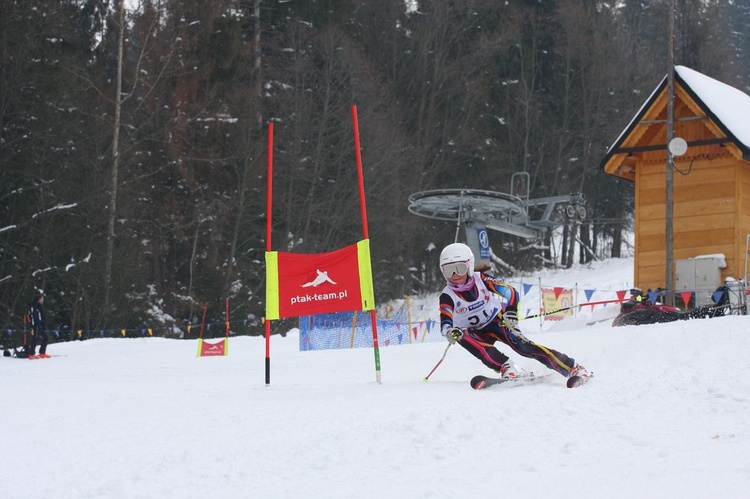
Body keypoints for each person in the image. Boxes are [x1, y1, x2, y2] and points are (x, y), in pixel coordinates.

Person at [438, 242, 588, 379]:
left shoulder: (481, 279)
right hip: (475, 333)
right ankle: (507, 367)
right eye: (449, 270)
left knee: (524, 347)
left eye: (459, 268)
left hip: (498, 321)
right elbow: (445, 323)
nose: (455, 275)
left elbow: (510, 292)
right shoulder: (447, 296)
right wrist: (450, 332)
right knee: (462, 335)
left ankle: (571, 367)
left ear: (469, 266)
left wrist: (510, 311)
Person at [28, 293, 50, 359]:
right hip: (36, 325)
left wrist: (43, 324)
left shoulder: (39, 306)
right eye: (42, 299)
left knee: (45, 338)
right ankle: (31, 354)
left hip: (40, 325)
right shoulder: (33, 306)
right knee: (35, 338)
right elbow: (34, 316)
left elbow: (41, 317)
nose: (43, 300)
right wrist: (35, 324)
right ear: (39, 299)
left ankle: (42, 353)